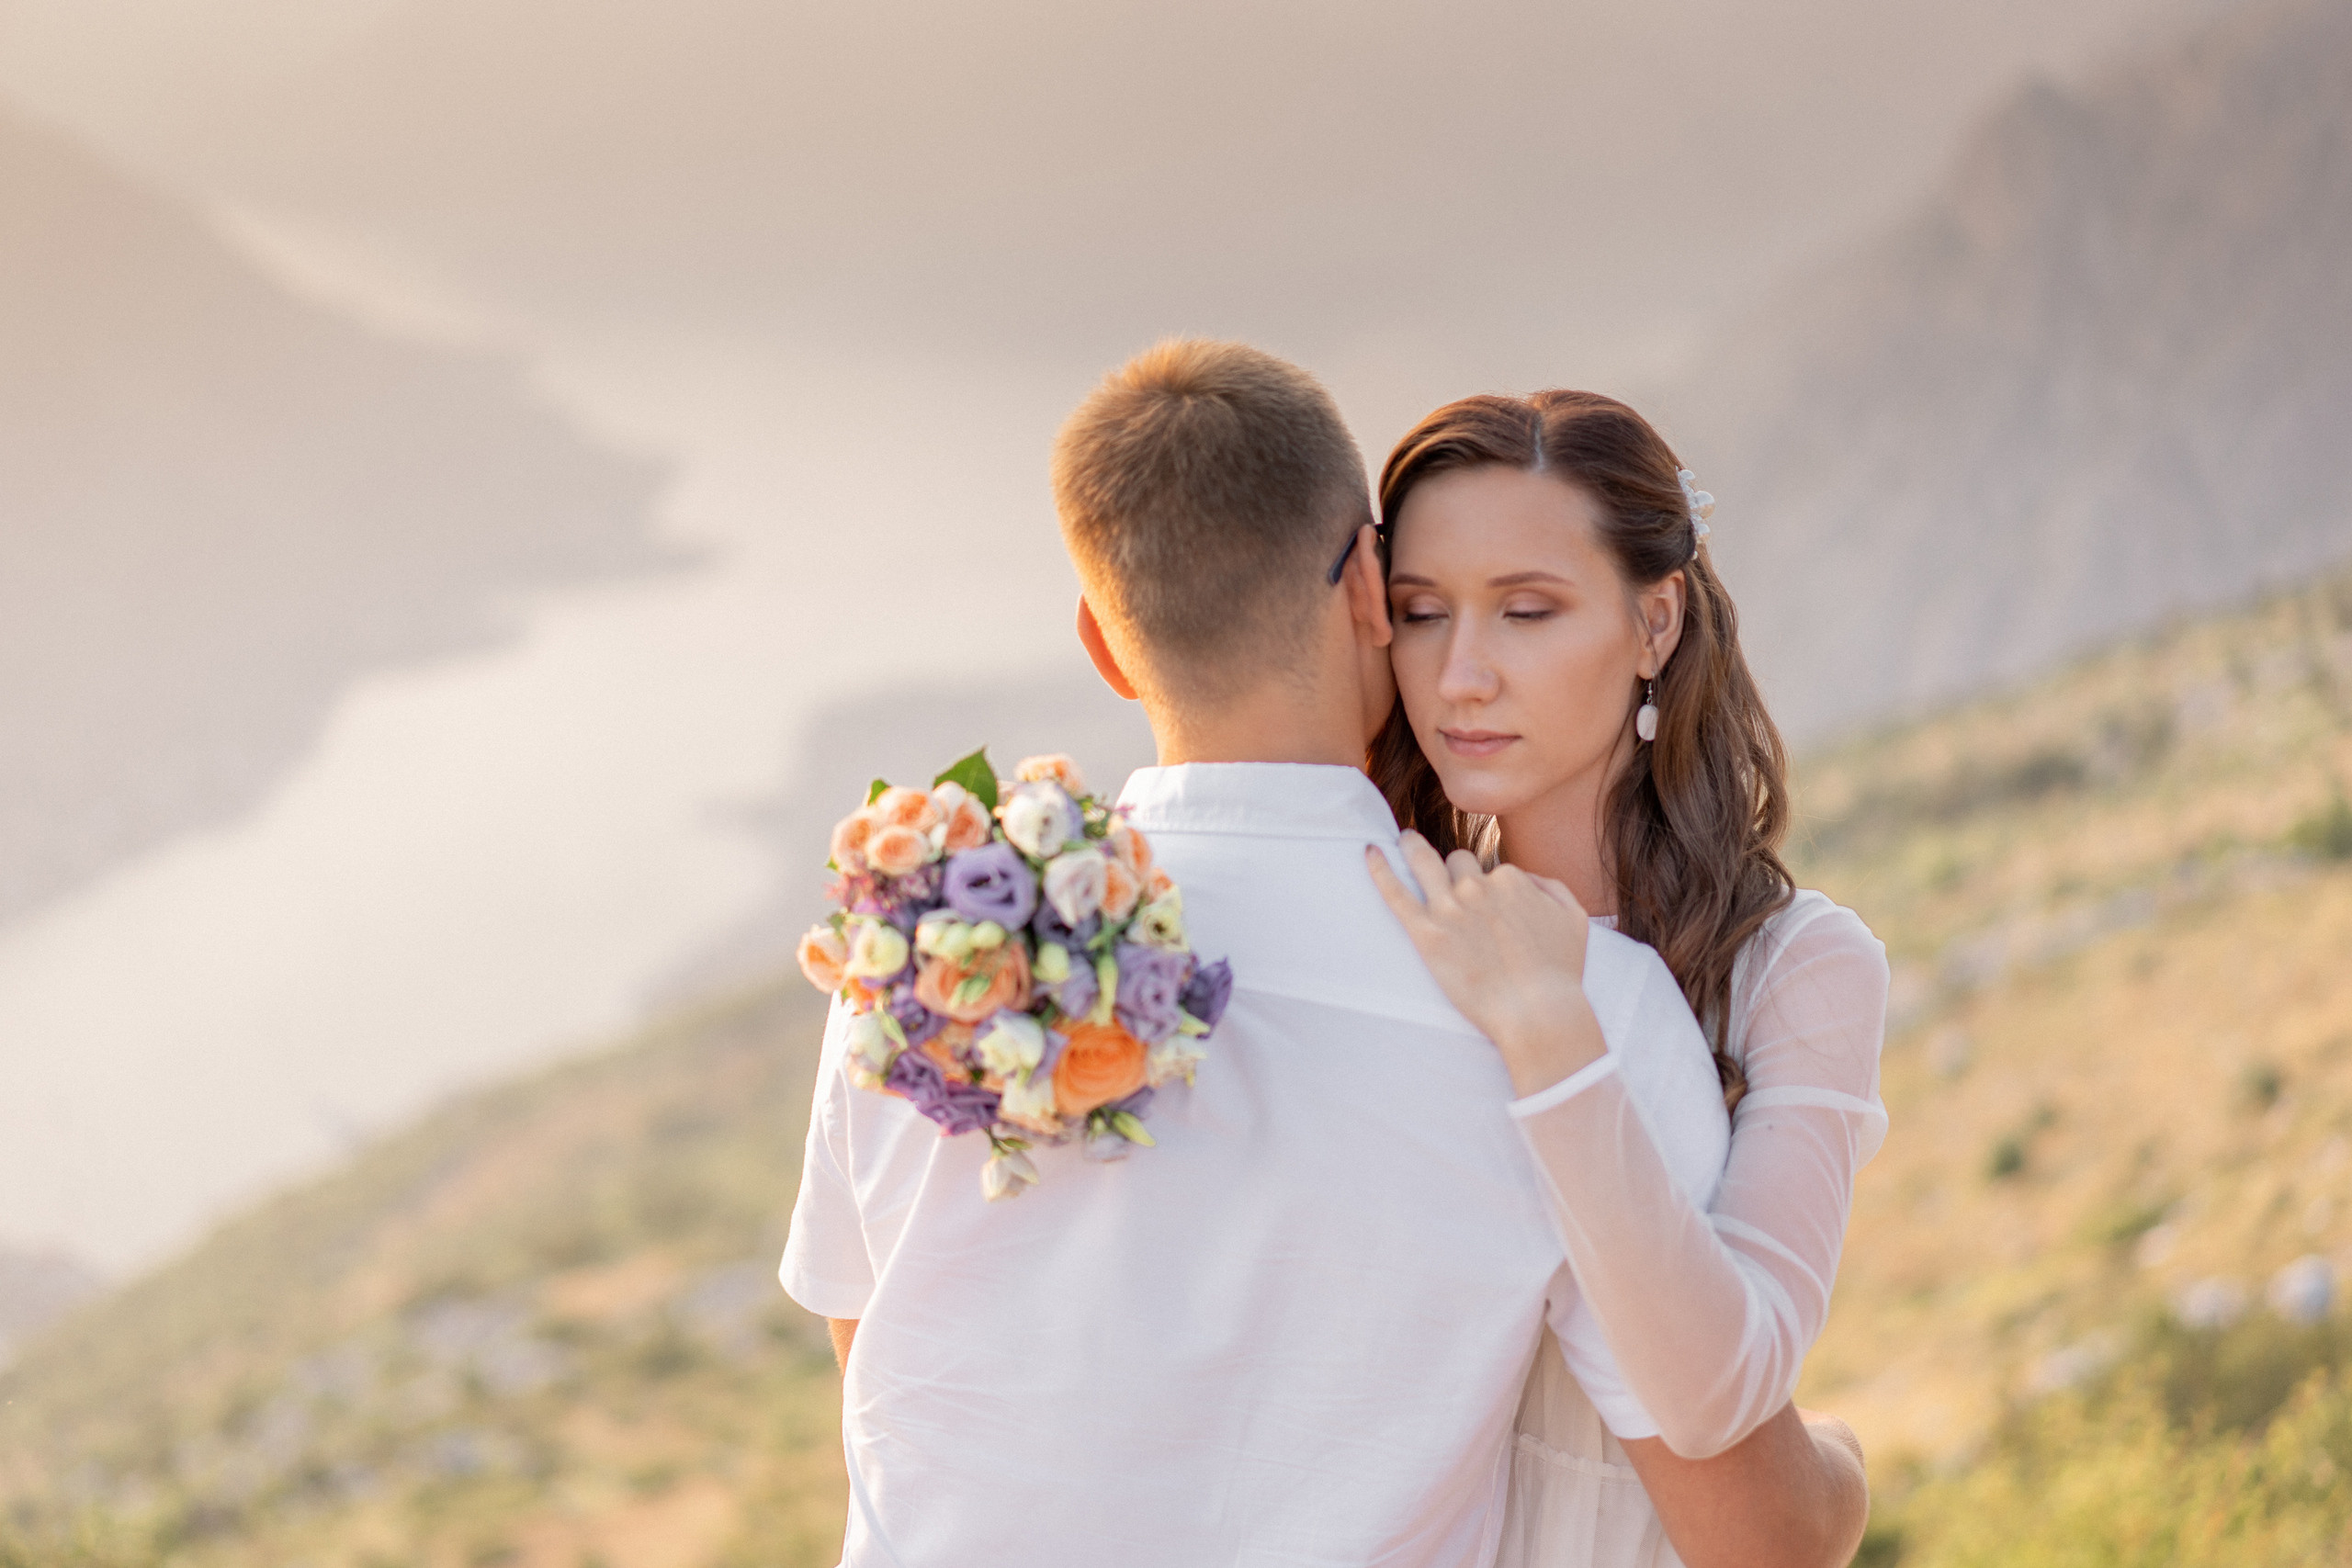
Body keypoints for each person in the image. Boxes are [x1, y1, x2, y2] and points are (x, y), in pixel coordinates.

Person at [781, 341, 1738, 1565]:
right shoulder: (1584, 1012)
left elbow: (885, 1384)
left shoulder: (927, 960)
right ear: (1365, 592)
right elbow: (1715, 1488)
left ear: (1104, 641)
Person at [1363, 390, 1890, 1568]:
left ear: (1655, 624)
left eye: (1528, 612)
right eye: (1420, 612)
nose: (1459, 676)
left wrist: (1553, 1029)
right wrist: (1832, 1477)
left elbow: (1728, 1414)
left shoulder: (1795, 970)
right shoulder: (1385, 919)